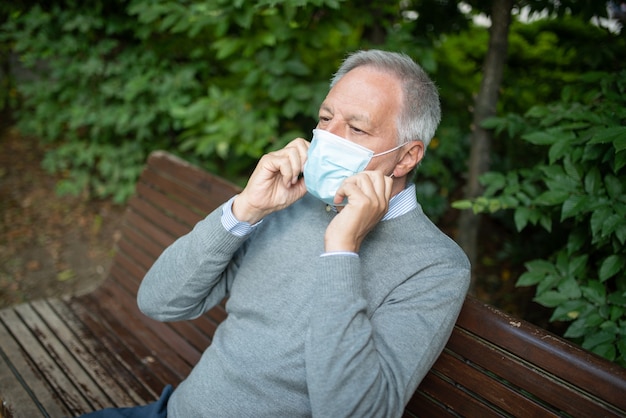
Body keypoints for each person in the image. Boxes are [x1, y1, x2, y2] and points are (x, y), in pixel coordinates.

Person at [84, 49, 470, 417]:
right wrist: (245, 209)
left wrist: (342, 249)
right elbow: (159, 301)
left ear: (406, 157)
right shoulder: (290, 204)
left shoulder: (435, 266)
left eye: (355, 128)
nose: (329, 137)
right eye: (325, 118)